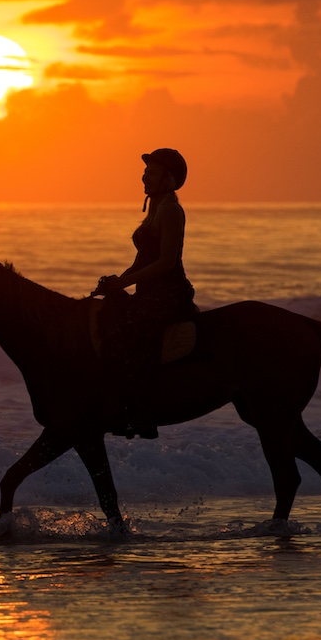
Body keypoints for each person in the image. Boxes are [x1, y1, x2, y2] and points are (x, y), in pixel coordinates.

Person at [93, 148, 198, 439]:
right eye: (145, 171)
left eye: (151, 172)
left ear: (168, 179)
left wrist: (123, 284)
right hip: (149, 292)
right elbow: (142, 260)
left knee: (130, 336)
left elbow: (165, 262)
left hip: (168, 293)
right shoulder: (155, 209)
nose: (144, 176)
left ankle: (142, 416)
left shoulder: (171, 210)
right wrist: (116, 282)